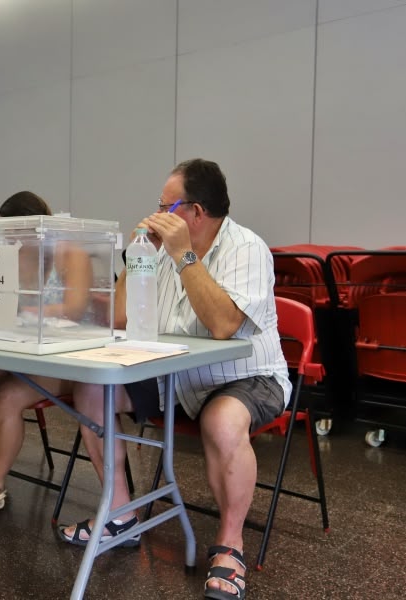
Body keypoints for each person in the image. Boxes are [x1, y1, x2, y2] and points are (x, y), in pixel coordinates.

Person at [58, 160, 289, 600]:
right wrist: (137, 257)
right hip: (174, 375)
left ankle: (230, 546)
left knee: (222, 423)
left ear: (196, 212)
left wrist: (185, 256)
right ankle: (121, 512)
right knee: (90, 388)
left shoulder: (246, 248)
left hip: (245, 375)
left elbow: (223, 325)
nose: (156, 214)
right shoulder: (162, 251)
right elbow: (121, 316)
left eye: (166, 206)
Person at [0, 191, 93, 523]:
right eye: (9, 233)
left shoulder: (72, 253)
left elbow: (75, 308)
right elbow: (3, 299)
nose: (12, 239)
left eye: (16, 231)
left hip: (64, 354)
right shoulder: (18, 254)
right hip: (21, 346)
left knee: (9, 395)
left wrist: (24, 308)